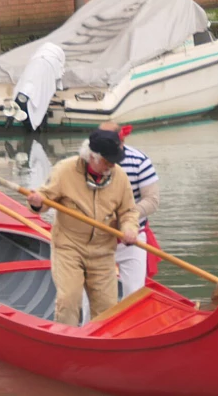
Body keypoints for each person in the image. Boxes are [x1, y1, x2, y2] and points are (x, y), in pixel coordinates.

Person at [27, 129, 140, 326]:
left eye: (114, 161)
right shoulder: (65, 170)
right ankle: (64, 339)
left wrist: (129, 229)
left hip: (103, 251)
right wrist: (37, 202)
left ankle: (102, 342)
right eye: (107, 161)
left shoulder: (119, 177)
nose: (112, 166)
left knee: (108, 308)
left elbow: (128, 211)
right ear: (92, 157)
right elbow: (45, 199)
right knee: (68, 300)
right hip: (69, 247)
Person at [99, 122, 160, 297]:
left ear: (121, 141)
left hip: (132, 236)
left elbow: (152, 200)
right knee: (93, 294)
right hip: (96, 238)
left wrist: (126, 217)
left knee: (134, 293)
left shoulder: (139, 161)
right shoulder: (89, 161)